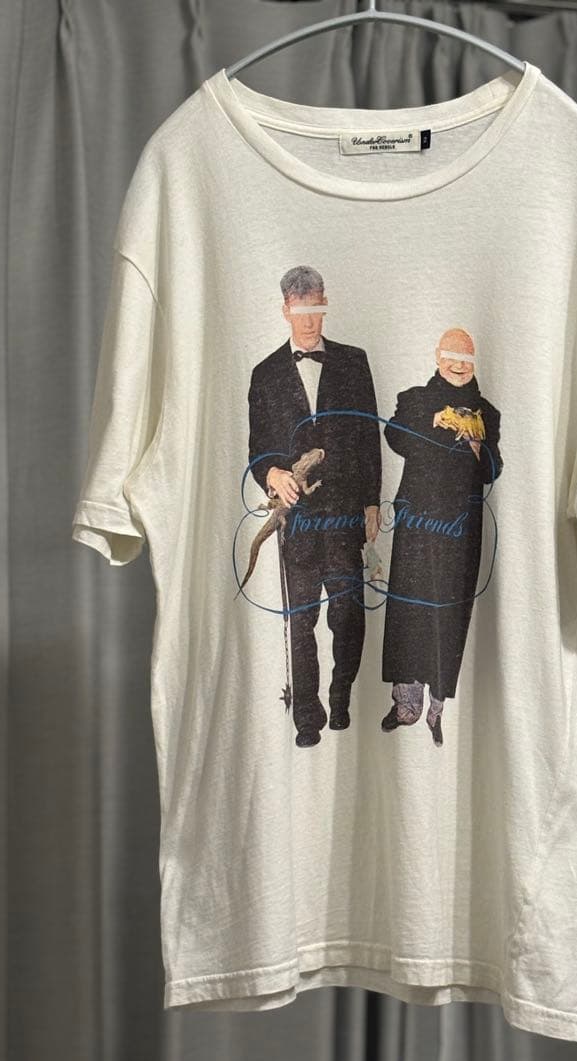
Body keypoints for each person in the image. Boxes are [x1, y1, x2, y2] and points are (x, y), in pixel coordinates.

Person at [247, 266, 381, 747]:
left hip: (345, 513)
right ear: (286, 310)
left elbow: (368, 435)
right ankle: (307, 714)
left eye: (316, 308)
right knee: (299, 618)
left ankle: (341, 694)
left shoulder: (354, 362)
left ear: (325, 304)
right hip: (298, 521)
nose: (309, 320)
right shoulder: (265, 374)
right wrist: (273, 474)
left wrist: (371, 502)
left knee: (347, 613)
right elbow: (258, 448)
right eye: (300, 310)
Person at [380, 329, 502, 746]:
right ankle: (405, 703)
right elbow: (395, 436)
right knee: (409, 608)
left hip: (461, 530)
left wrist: (477, 447)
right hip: (417, 525)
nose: (458, 364)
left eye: (466, 357)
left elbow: (492, 471)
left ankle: (437, 707)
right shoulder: (414, 399)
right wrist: (434, 420)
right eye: (451, 355)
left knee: (449, 613)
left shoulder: (488, 413)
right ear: (437, 356)